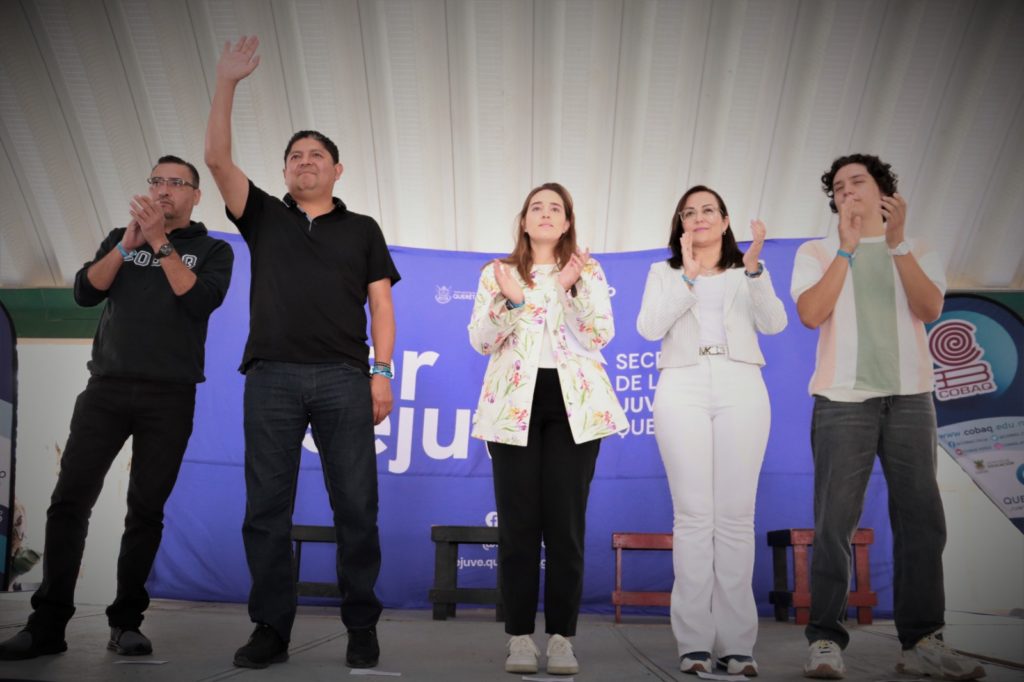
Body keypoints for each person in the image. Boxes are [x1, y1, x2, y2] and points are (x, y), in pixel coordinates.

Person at [204, 36, 399, 671]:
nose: (304, 162)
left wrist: (380, 372)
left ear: (338, 170)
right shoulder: (263, 215)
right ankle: (270, 628)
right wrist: (227, 81)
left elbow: (381, 307)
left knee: (357, 507)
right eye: (295, 156)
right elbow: (216, 158)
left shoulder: (363, 229)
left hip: (344, 377)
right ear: (285, 171)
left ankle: (361, 626)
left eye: (317, 155)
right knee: (266, 509)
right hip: (271, 378)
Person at [0, 156, 233, 660]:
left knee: (145, 511)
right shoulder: (120, 238)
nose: (164, 189)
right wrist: (127, 245)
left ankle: (126, 623)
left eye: (176, 183)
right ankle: (47, 624)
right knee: (69, 502)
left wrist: (160, 244)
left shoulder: (213, 250)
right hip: (105, 389)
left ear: (196, 196)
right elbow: (86, 292)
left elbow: (197, 302)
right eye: (157, 181)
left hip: (169, 397)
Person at [792, 154, 985, 680]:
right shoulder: (817, 251)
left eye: (858, 181)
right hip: (842, 400)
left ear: (884, 191)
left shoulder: (918, 247)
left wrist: (896, 244)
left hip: (910, 398)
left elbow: (930, 309)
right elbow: (811, 313)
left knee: (922, 520)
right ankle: (825, 640)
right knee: (834, 523)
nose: (847, 191)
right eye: (838, 187)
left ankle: (922, 642)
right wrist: (847, 249)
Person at [468, 183, 626, 676]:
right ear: (523, 220)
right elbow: (480, 340)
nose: (545, 213)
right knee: (518, 527)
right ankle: (519, 637)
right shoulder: (497, 272)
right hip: (513, 406)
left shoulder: (587, 271)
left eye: (555, 208)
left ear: (567, 222)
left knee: (566, 527)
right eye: (536, 207)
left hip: (574, 407)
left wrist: (568, 289)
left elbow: (600, 334)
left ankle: (561, 638)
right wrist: (513, 302)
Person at [636, 185, 787, 676]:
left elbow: (775, 323)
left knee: (737, 517)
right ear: (680, 225)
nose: (698, 217)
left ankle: (737, 644)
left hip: (741, 381)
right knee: (693, 516)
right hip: (681, 384)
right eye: (688, 212)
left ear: (725, 221)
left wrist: (755, 270)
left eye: (708, 210)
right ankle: (694, 643)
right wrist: (688, 277)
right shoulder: (663, 272)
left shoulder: (749, 271)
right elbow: (648, 329)